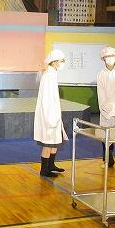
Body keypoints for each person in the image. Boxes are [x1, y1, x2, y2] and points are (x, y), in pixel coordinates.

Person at [34, 49, 68, 177]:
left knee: (55, 141)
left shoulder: (52, 74)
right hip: (50, 116)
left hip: (54, 114)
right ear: (54, 62)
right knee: (48, 143)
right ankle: (44, 169)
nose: (63, 63)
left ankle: (51, 165)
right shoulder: (48, 75)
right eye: (61, 61)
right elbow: (47, 99)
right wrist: (50, 118)